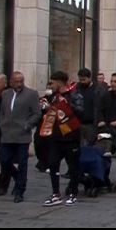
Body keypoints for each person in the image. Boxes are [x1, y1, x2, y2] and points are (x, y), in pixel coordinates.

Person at [0, 71, 41, 202]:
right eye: (16, 81)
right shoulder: (5, 94)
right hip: (7, 134)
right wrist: (2, 124)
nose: (19, 84)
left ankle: (20, 190)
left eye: (21, 81)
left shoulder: (31, 94)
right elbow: (3, 112)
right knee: (4, 160)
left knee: (22, 163)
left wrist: (27, 125)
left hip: (22, 135)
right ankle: (17, 177)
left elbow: (37, 113)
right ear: (11, 82)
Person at [41, 71, 82, 207]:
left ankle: (73, 193)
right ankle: (55, 194)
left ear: (59, 82)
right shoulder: (53, 97)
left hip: (71, 136)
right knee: (53, 164)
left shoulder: (74, 94)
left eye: (52, 83)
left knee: (73, 166)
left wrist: (66, 106)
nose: (50, 86)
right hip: (56, 137)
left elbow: (80, 112)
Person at [72, 68, 100, 145]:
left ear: (89, 78)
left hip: (92, 124)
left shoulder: (97, 89)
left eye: (84, 79)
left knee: (90, 146)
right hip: (78, 123)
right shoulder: (76, 89)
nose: (82, 82)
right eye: (80, 80)